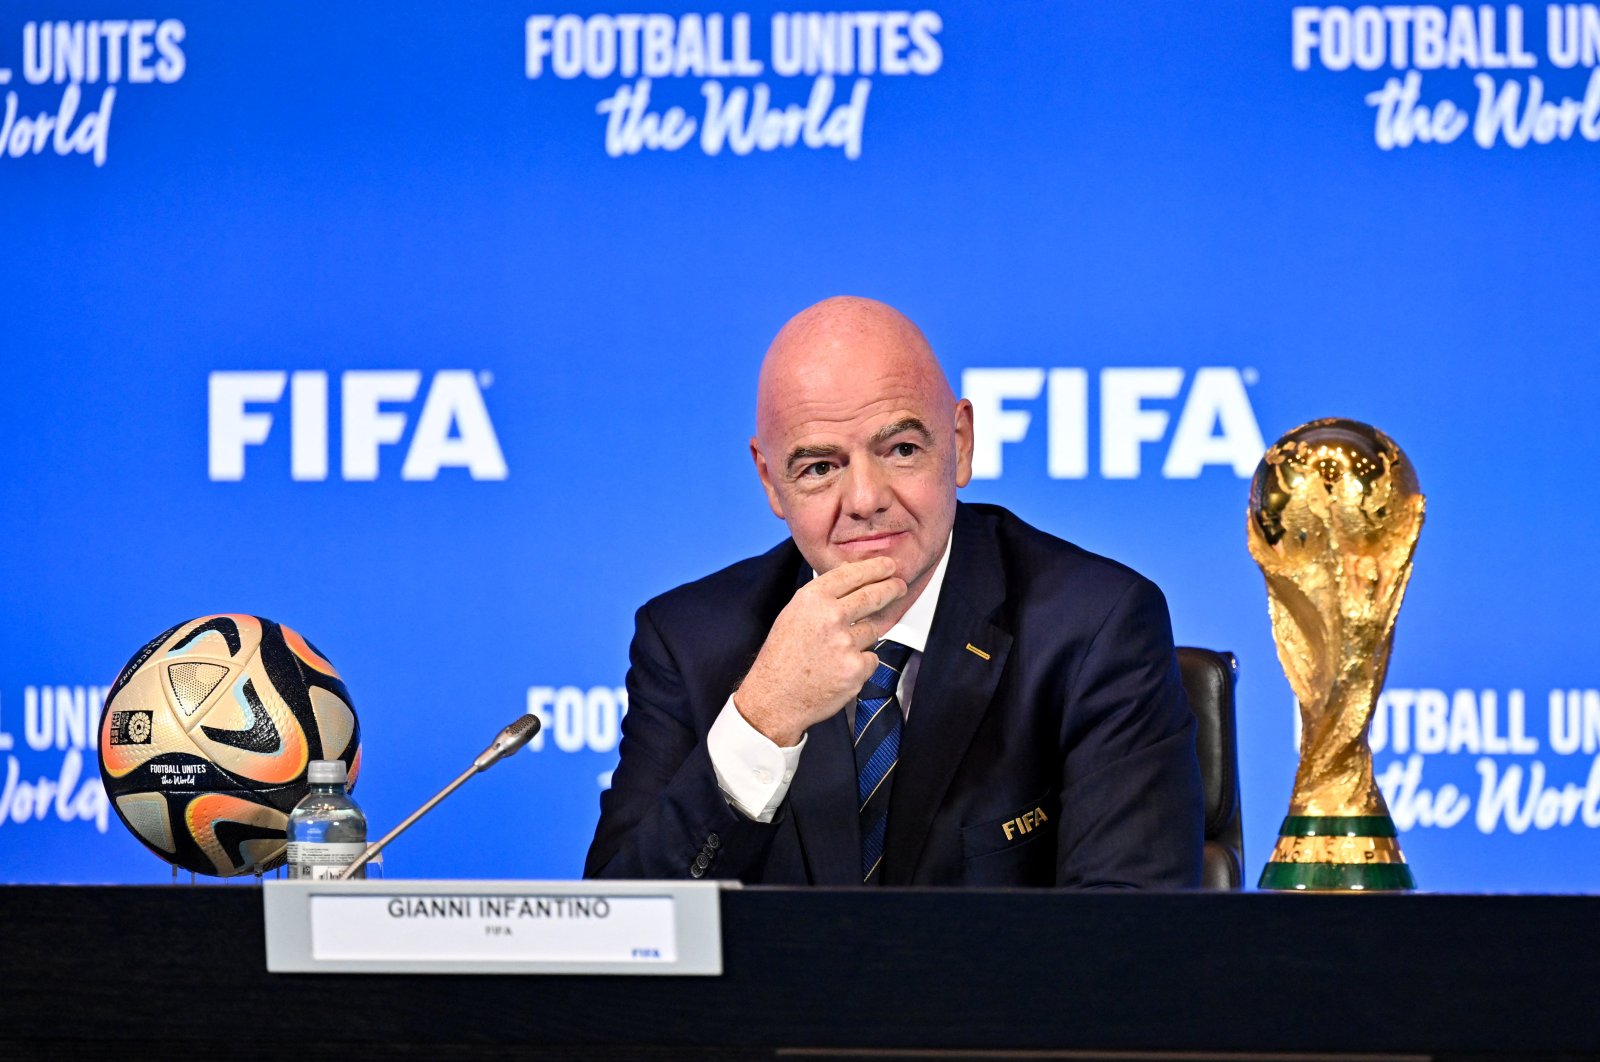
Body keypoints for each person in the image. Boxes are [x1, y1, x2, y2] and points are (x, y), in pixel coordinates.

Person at [584, 297, 1203, 887]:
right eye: (820, 467)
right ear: (771, 482)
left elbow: (1129, 938)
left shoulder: (1095, 627)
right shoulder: (691, 642)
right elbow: (618, 938)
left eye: (901, 449)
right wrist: (764, 719)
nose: (864, 500)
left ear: (959, 445)